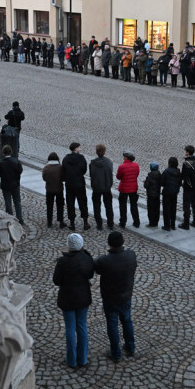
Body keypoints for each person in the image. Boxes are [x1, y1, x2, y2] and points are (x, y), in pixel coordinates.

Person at [53, 233, 93, 368]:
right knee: (82, 326)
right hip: (82, 297)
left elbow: (56, 281)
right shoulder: (87, 258)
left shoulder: (62, 262)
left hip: (67, 298)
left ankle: (72, 360)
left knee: (70, 328)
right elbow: (91, 274)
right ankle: (83, 359)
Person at [94, 231, 136, 362]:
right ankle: (130, 347)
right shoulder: (131, 255)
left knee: (112, 324)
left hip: (110, 298)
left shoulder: (105, 261)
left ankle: (116, 353)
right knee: (127, 320)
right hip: (126, 295)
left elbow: (96, 267)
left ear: (109, 244)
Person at [62, 142, 90, 230]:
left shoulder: (66, 159)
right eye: (79, 147)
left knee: (70, 203)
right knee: (82, 202)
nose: (80, 149)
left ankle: (72, 223)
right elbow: (84, 170)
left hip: (69, 183)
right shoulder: (81, 158)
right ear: (76, 149)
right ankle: (85, 222)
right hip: (79, 183)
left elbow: (63, 170)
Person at [89, 143, 115, 230]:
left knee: (96, 206)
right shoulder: (108, 162)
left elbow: (91, 175)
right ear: (104, 152)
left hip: (96, 188)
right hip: (107, 187)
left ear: (96, 152)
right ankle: (110, 223)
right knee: (108, 206)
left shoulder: (92, 163)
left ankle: (99, 224)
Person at [0, 145, 24, 223]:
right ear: (11, 152)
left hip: (5, 185)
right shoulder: (16, 162)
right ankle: (20, 218)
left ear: (3, 153)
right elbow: (20, 170)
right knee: (17, 201)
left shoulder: (1, 163)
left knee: (8, 202)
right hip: (15, 184)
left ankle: (10, 219)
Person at [115, 151, 141, 228]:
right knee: (134, 205)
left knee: (123, 206)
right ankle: (136, 222)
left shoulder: (121, 167)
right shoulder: (136, 165)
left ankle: (123, 222)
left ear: (126, 158)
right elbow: (136, 175)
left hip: (124, 189)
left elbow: (118, 177)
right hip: (133, 188)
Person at [179, 145, 195, 229]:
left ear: (188, 152)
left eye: (186, 151)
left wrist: (180, 182)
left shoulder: (186, 163)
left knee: (186, 204)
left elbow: (183, 175)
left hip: (188, 186)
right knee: (194, 203)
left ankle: (186, 223)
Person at [160, 157, 182, 231]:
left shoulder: (166, 172)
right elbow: (180, 183)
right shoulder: (178, 172)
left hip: (167, 192)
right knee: (173, 208)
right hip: (175, 192)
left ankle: (167, 226)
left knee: (166, 209)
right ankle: (173, 224)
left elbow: (162, 182)